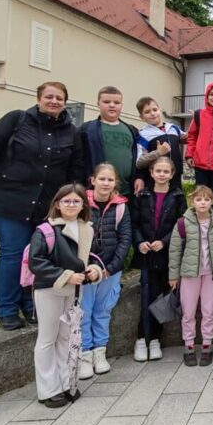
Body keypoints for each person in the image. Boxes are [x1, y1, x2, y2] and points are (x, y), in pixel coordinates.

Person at [0, 81, 85, 331]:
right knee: (13, 254)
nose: (54, 101)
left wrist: (72, 201)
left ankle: (31, 305)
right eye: (49, 96)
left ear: (65, 102)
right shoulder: (16, 120)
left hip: (46, 206)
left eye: (59, 98)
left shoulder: (71, 132)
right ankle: (7, 308)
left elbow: (75, 169)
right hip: (11, 202)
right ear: (39, 98)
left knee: (38, 257)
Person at [27, 184, 104, 408]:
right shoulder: (45, 230)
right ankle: (48, 389)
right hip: (49, 289)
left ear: (83, 205)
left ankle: (66, 382)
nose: (71, 205)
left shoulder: (87, 229)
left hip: (74, 290)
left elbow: (92, 255)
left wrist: (94, 270)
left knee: (66, 338)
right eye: (66, 201)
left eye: (76, 201)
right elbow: (36, 262)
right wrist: (66, 275)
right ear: (57, 204)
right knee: (47, 338)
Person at [131, 155, 187, 362]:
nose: (162, 174)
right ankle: (141, 339)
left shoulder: (178, 196)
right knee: (147, 296)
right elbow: (134, 223)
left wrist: (164, 242)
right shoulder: (142, 195)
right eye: (158, 171)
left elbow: (181, 225)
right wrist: (139, 242)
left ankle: (155, 339)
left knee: (161, 298)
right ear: (151, 173)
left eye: (166, 171)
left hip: (166, 255)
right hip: (147, 254)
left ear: (172, 174)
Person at [79, 163, 131, 380]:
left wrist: (110, 269)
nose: (106, 183)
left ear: (115, 183)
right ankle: (84, 355)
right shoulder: (81, 203)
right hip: (84, 271)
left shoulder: (121, 206)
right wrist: (84, 266)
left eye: (110, 180)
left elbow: (125, 239)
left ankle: (100, 352)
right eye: (102, 179)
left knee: (103, 311)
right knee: (83, 311)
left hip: (110, 270)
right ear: (93, 180)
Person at [169, 185, 213, 367]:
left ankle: (206, 345)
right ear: (192, 202)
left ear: (212, 201)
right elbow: (175, 250)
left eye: (206, 199)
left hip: (211, 273)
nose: (202, 203)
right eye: (198, 199)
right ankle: (189, 345)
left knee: (208, 310)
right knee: (188, 312)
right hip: (189, 274)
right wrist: (173, 275)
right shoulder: (182, 223)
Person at [78, 86, 140, 198]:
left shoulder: (132, 130)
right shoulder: (86, 129)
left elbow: (140, 158)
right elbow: (78, 161)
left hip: (127, 192)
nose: (112, 105)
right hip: (96, 193)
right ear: (98, 104)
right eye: (106, 102)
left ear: (121, 105)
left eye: (116, 102)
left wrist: (140, 177)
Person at [136, 96, 185, 192]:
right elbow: (139, 163)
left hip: (175, 179)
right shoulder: (142, 134)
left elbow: (189, 137)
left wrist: (196, 121)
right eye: (147, 112)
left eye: (155, 109)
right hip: (156, 182)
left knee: (177, 201)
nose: (152, 113)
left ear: (160, 110)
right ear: (141, 117)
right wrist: (158, 153)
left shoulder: (173, 128)